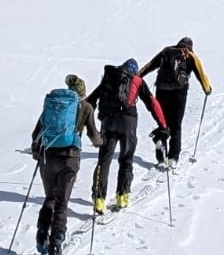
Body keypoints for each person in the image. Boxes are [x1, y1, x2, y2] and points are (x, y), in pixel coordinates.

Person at [30, 74, 103, 255]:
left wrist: (37, 152)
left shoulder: (53, 106)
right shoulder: (86, 107)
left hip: (48, 158)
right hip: (69, 159)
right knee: (62, 203)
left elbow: (36, 133)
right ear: (82, 93)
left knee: (50, 198)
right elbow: (94, 135)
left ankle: (41, 235)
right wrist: (101, 142)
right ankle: (56, 243)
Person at [85, 58, 166, 214]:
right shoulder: (137, 80)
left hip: (108, 122)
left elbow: (91, 100)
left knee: (104, 160)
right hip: (128, 123)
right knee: (126, 158)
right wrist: (162, 125)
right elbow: (152, 103)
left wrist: (82, 122)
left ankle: (99, 200)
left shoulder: (109, 77)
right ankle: (122, 196)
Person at [139, 36, 212, 165]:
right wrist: (207, 88)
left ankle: (161, 149)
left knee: (163, 122)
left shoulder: (166, 51)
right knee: (176, 125)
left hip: (161, 91)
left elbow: (149, 66)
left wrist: (136, 76)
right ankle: (173, 158)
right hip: (179, 94)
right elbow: (201, 74)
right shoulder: (190, 56)